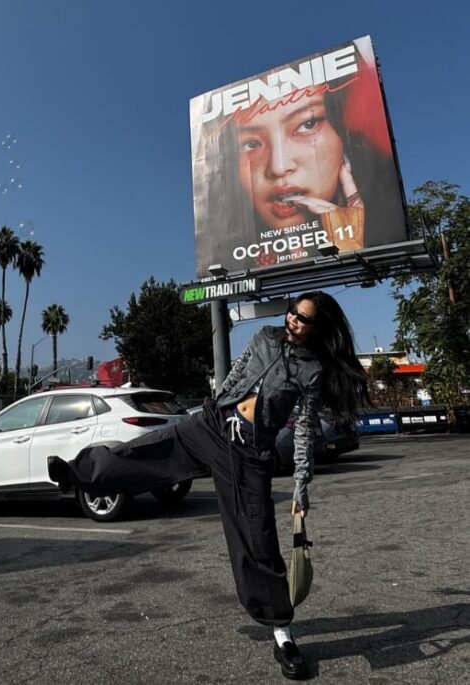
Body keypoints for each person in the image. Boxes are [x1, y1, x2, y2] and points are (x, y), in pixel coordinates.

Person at [48, 291, 369, 680]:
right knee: (154, 449)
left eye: (302, 319)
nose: (292, 321)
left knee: (259, 540)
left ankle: (283, 635)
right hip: (215, 425)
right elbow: (240, 371)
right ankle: (81, 472)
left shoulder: (312, 370)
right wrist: (219, 400)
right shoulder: (265, 337)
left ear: (318, 327)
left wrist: (301, 484)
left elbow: (303, 429)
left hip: (250, 453)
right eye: (291, 312)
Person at [192, 55, 408, 277]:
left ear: (344, 136)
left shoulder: (387, 232)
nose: (278, 167)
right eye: (251, 143)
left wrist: (350, 249)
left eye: (308, 124)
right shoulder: (229, 258)